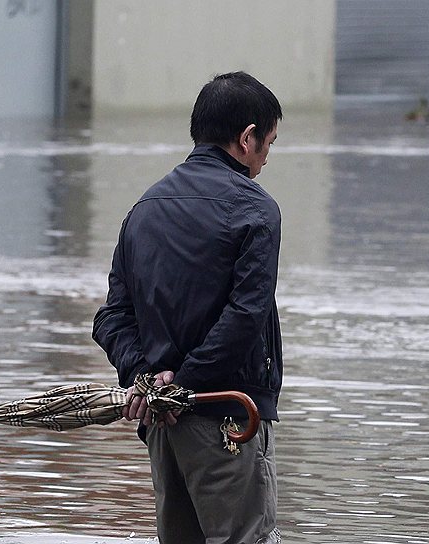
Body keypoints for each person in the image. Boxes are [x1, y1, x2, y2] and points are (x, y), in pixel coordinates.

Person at [92, 71, 284, 544]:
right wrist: (186, 384)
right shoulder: (256, 210)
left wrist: (146, 378)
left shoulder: (145, 208)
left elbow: (112, 317)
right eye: (269, 143)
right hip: (226, 416)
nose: (266, 159)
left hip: (162, 422)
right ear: (246, 139)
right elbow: (245, 316)